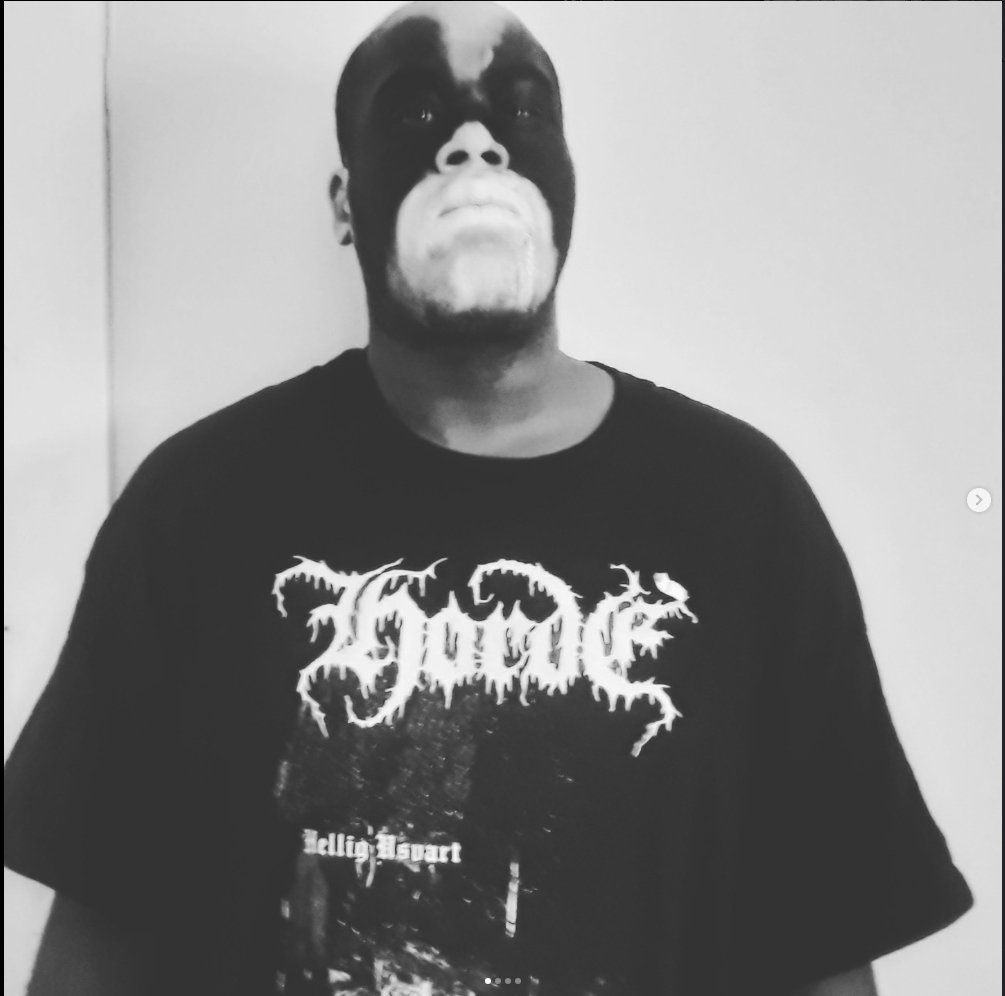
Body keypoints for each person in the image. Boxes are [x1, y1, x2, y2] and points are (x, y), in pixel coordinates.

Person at [4, 3, 973, 995]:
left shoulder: (742, 513)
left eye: (522, 110)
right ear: (344, 203)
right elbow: (96, 946)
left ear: (567, 183)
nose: (477, 141)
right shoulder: (198, 511)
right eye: (418, 113)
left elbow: (819, 949)